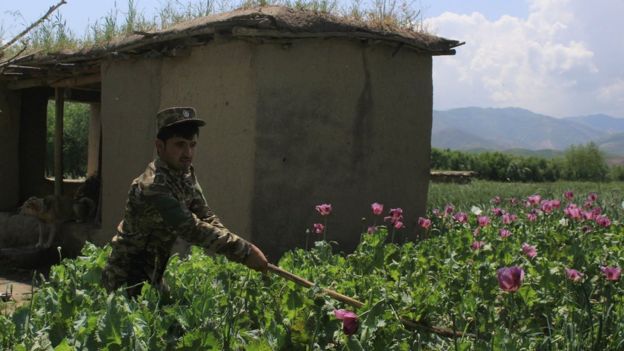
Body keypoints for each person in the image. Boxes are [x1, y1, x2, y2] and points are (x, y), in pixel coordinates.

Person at [101, 106, 268, 297]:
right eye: (180, 144)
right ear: (160, 146)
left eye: (192, 145)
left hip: (153, 276)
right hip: (125, 279)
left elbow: (205, 215)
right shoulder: (153, 186)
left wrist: (237, 249)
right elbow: (190, 227)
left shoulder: (184, 174)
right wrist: (244, 251)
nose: (188, 153)